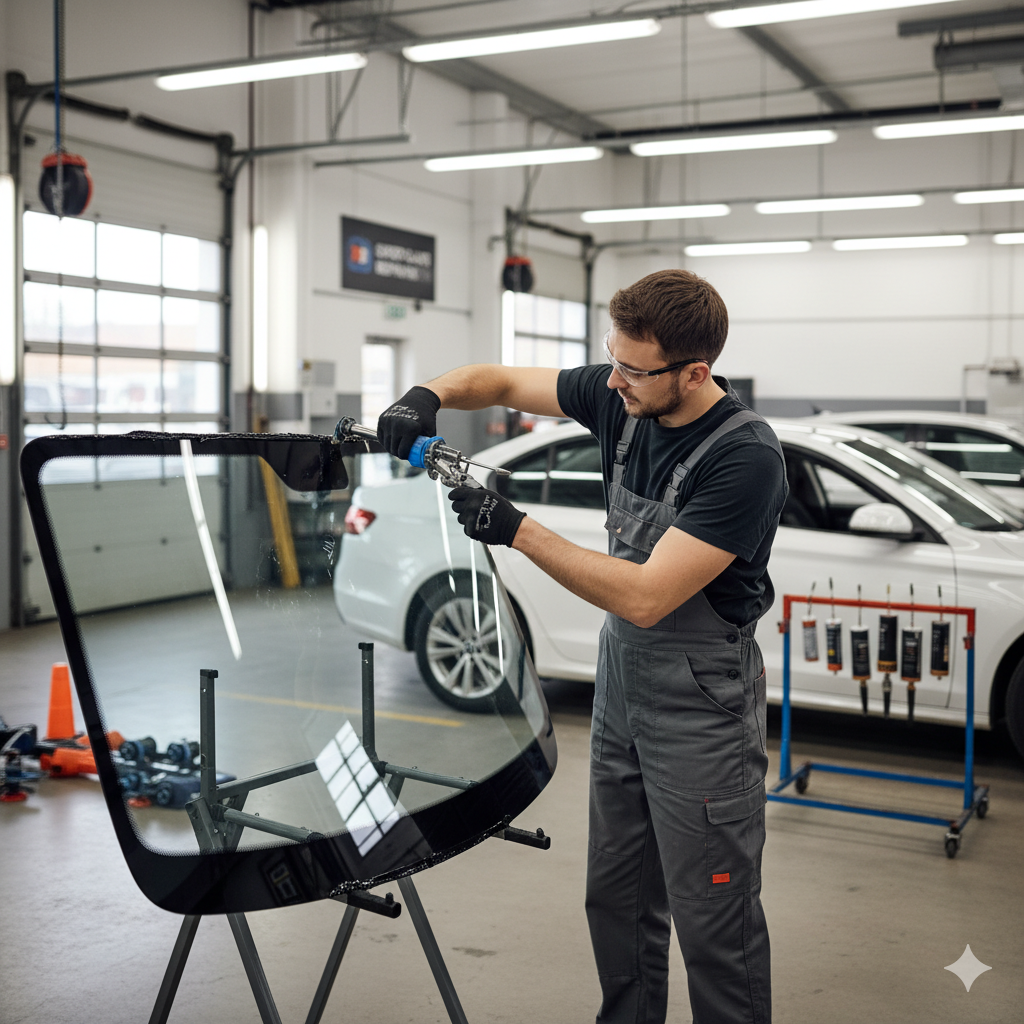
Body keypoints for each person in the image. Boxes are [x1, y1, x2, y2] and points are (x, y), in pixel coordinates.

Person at [375, 268, 787, 1024]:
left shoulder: (746, 457)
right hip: (623, 683)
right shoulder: (620, 395)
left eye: (634, 369)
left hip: (702, 702)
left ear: (694, 373)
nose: (616, 380)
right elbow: (494, 377)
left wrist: (518, 529)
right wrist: (425, 395)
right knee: (618, 898)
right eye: (613, 359)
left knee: (712, 922)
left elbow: (647, 594)